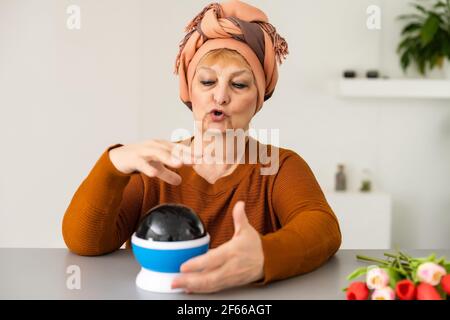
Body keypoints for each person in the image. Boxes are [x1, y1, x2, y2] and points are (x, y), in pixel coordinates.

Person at [62, 0, 342, 294]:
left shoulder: (280, 167)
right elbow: (85, 243)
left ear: (257, 101)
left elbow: (324, 230)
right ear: (189, 91)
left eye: (239, 85)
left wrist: (264, 255)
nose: (220, 96)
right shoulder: (154, 167)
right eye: (207, 81)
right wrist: (113, 164)